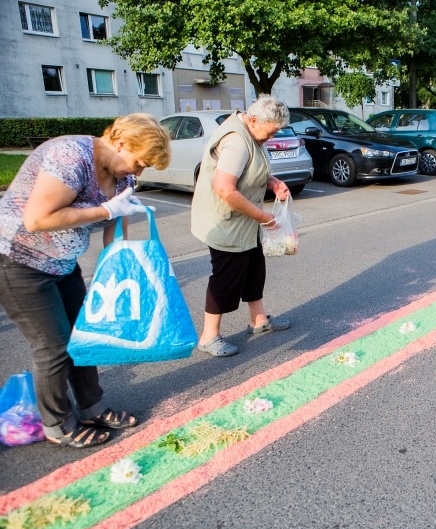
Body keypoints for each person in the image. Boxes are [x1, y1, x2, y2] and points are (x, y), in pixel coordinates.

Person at [0, 114, 170, 448]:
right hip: (18, 260)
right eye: (139, 162)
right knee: (54, 347)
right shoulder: (71, 156)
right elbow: (38, 219)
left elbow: (115, 228)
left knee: (84, 336)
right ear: (121, 142)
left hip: (63, 263)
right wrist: (106, 210)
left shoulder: (123, 177)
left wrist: (119, 272)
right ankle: (58, 425)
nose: (138, 173)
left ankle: (92, 407)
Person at [191, 95, 292, 357]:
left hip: (244, 219)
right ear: (254, 120)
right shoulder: (236, 141)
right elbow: (225, 188)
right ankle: (208, 337)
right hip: (226, 221)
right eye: (270, 132)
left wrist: (272, 182)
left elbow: (249, 169)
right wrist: (263, 217)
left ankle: (258, 320)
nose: (271, 137)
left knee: (254, 269)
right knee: (226, 277)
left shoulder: (253, 133)